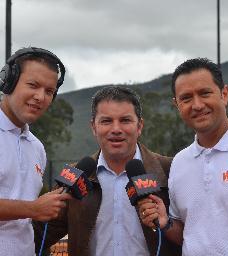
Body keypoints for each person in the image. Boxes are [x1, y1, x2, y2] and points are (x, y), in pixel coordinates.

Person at [33, 86, 182, 256]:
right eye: (106, 121)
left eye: (125, 120)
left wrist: (167, 223)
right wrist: (33, 209)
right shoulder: (76, 175)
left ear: (139, 125)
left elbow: (196, 234)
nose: (116, 129)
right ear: (93, 127)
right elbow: (36, 236)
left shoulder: (171, 170)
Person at [138, 58, 228, 255]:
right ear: (177, 105)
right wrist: (166, 223)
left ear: (224, 94)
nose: (197, 105)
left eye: (205, 93)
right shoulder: (180, 163)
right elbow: (188, 233)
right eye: (186, 98)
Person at [0, 47, 71, 256]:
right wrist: (34, 208)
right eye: (33, 85)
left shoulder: (37, 148)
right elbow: (32, 209)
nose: (40, 97)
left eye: (49, 91)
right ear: (9, 81)